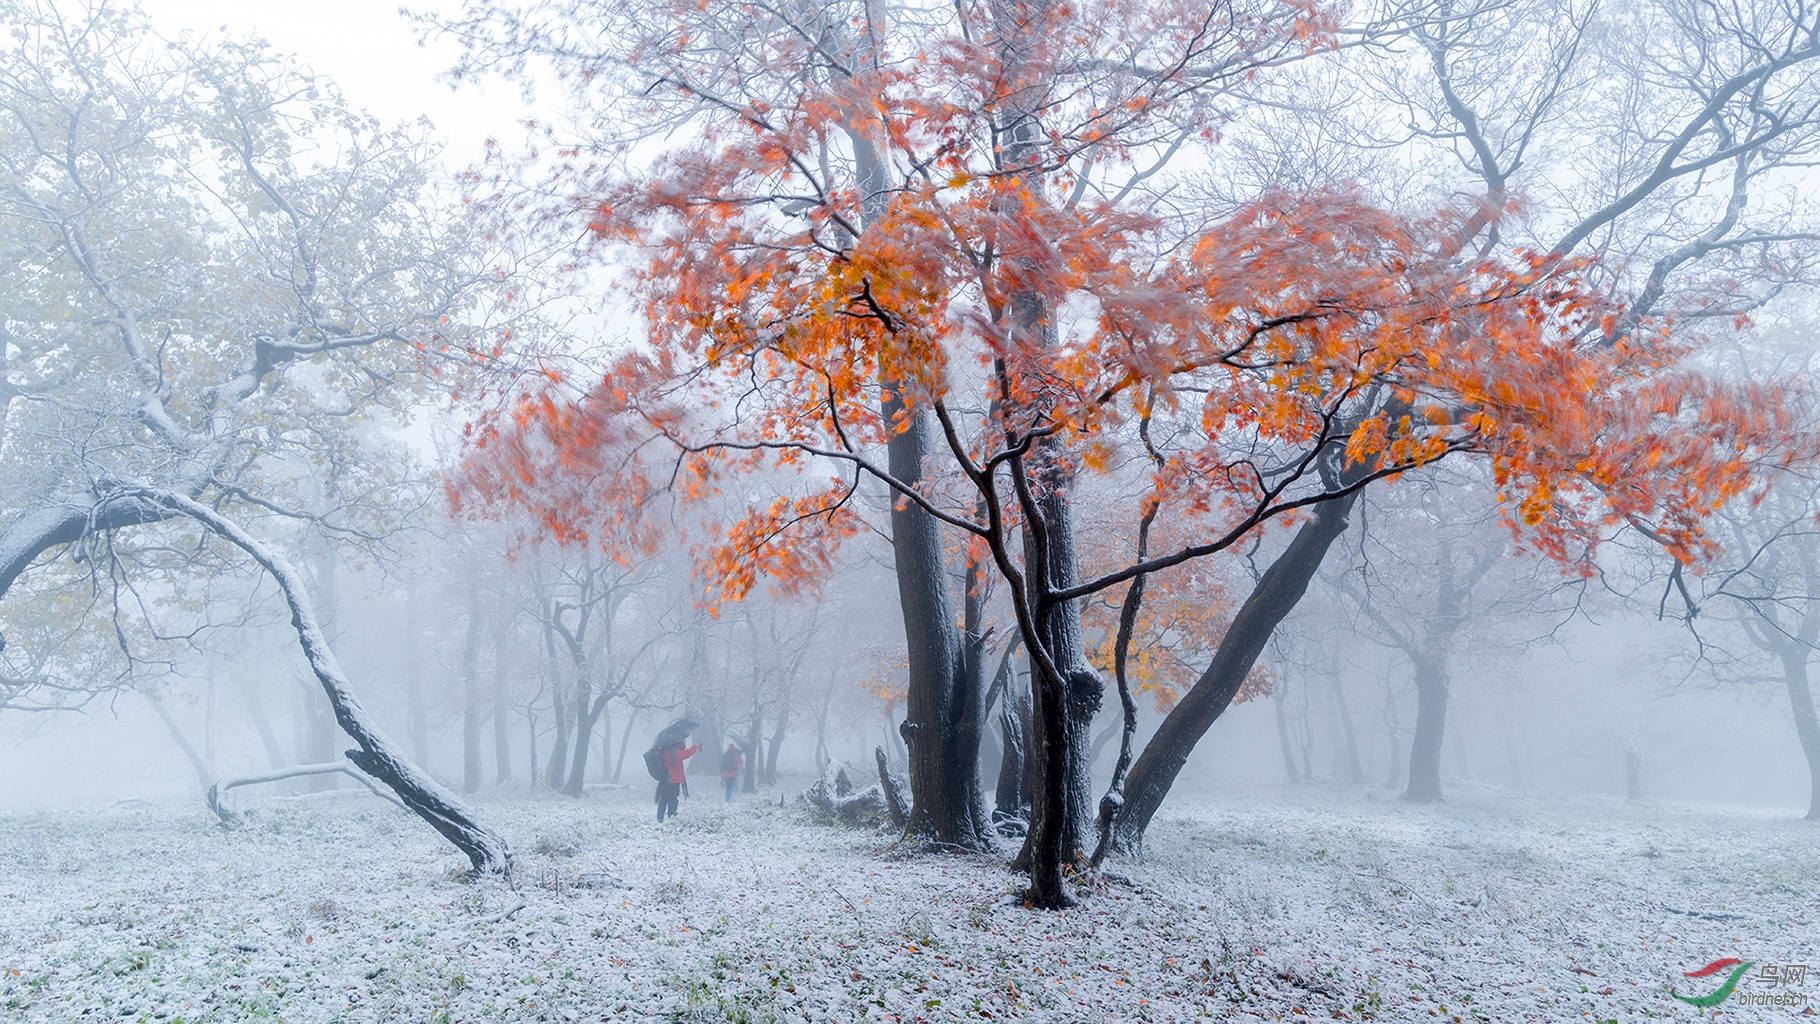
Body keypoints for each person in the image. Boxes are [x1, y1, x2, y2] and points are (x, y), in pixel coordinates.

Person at [657, 738, 698, 821]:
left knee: (664, 798)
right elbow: (685, 754)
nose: (683, 742)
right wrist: (695, 747)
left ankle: (660, 817)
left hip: (668, 778)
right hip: (673, 779)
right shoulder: (672, 750)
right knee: (673, 798)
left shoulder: (667, 749)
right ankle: (672, 817)